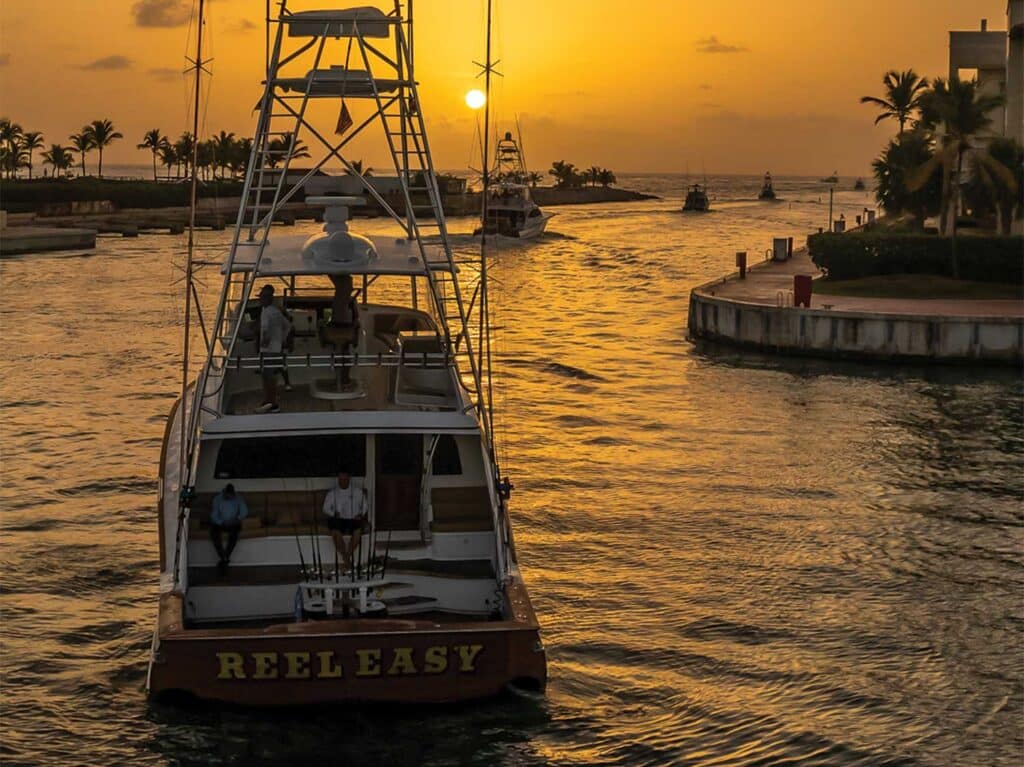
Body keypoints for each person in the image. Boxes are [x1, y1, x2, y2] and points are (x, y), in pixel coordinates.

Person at [255, 284, 292, 413]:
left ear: (267, 299)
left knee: (267, 377)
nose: (260, 300)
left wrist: (264, 344)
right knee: (272, 376)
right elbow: (288, 325)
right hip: (277, 349)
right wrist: (282, 339)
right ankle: (269, 401)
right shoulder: (276, 311)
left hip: (268, 351)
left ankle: (272, 403)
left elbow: (265, 329)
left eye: (262, 297)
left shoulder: (266, 312)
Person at [323, 472, 368, 572]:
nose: (342, 482)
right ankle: (346, 558)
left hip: (354, 519)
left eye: (344, 479)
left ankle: (346, 557)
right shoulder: (332, 493)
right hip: (338, 519)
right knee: (335, 530)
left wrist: (360, 514)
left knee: (358, 531)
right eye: (340, 480)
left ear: (349, 479)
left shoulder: (357, 491)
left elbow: (365, 506)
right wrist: (334, 513)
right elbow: (325, 508)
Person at [210, 483, 248, 573]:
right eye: (228, 496)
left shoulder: (238, 498)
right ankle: (223, 557)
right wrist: (222, 522)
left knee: (234, 534)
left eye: (231, 496)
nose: (230, 497)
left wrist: (236, 519)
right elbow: (214, 515)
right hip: (221, 523)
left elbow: (244, 512)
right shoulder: (217, 499)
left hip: (233, 522)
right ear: (225, 493)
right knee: (214, 533)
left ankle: (225, 557)